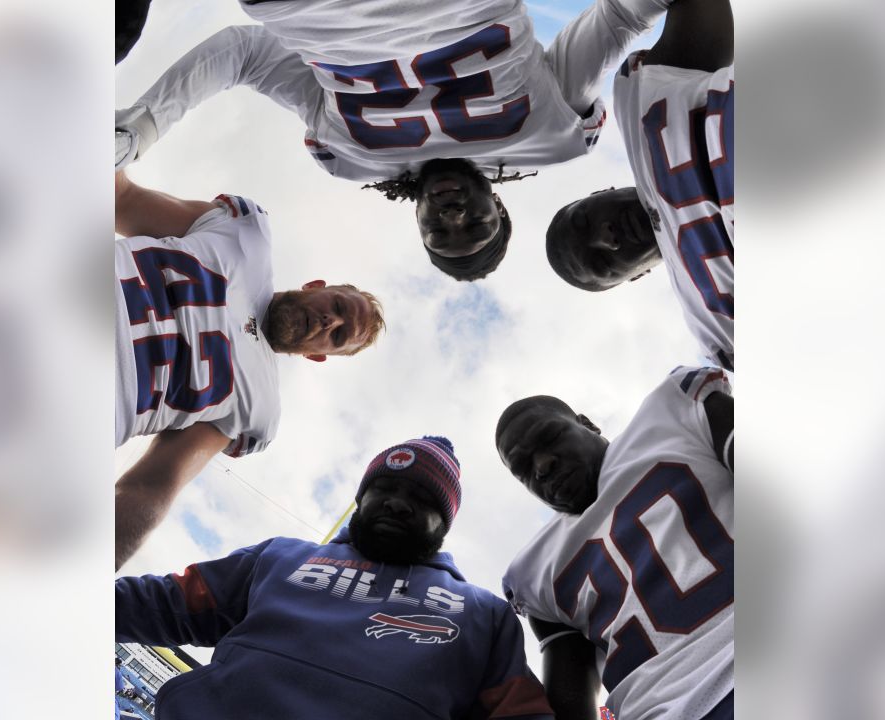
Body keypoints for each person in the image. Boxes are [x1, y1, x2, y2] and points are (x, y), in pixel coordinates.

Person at [114, 0, 678, 280]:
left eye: (438, 231)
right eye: (475, 224)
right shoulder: (555, 137)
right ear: (499, 205)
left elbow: (247, 52)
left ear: (418, 223)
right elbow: (621, 15)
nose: (454, 214)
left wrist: (140, 129)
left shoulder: (349, 157)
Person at [116, 436, 554, 719]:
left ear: (445, 523)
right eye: (385, 489)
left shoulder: (485, 616)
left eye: (422, 499)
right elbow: (161, 602)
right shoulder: (279, 557)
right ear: (360, 500)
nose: (398, 504)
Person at [114, 171, 386, 569]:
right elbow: (121, 197)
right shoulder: (246, 237)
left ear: (318, 355)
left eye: (339, 336)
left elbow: (153, 485)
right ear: (315, 285)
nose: (330, 322)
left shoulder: (258, 406)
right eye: (338, 307)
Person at [496, 366, 734, 720]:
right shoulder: (536, 574)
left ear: (588, 423)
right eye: (523, 468)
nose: (542, 466)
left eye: (551, 437)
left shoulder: (674, 414)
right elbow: (570, 702)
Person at [544, 0, 734, 370]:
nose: (606, 236)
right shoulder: (713, 330)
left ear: (599, 193)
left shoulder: (639, 106)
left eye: (585, 221)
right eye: (602, 261)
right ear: (634, 277)